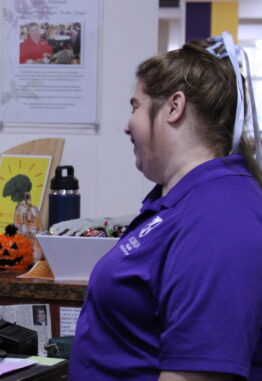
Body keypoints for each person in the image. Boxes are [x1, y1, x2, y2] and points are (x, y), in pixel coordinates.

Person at [69, 34, 262, 380]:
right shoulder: (184, 201)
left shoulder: (219, 219)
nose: (127, 125)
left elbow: (198, 374)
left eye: (135, 106)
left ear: (174, 106)